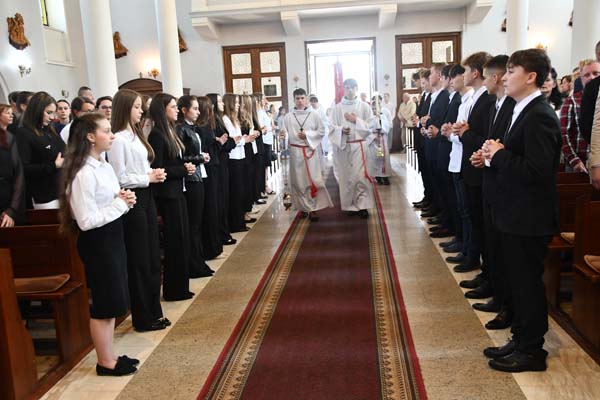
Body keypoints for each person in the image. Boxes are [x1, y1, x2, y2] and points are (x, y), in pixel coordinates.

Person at [482, 48, 561, 373]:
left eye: (512, 71)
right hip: (515, 212)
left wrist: (499, 154)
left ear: (531, 77)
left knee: (528, 284)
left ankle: (532, 350)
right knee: (518, 281)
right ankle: (520, 338)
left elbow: (537, 171)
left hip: (529, 216)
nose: (505, 77)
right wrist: (493, 155)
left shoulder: (540, 114)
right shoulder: (522, 109)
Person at [58, 112, 138, 376]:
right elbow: (86, 220)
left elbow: (109, 201)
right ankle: (105, 362)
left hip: (112, 235)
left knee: (114, 299)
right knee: (105, 303)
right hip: (97, 241)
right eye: (106, 130)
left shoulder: (103, 165)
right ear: (90, 137)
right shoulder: (82, 172)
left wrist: (123, 199)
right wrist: (120, 204)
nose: (112, 135)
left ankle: (110, 355)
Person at [107, 89, 169, 332]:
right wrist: (147, 178)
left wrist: (153, 174)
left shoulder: (136, 134)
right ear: (124, 108)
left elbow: (142, 166)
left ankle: (154, 312)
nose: (141, 111)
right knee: (140, 260)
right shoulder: (118, 139)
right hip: (133, 200)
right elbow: (119, 177)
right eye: (136, 107)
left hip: (147, 196)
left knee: (152, 257)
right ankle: (143, 317)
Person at [148, 93, 196, 301]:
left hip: (177, 191)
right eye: (173, 106)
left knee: (182, 240)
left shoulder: (169, 130)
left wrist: (185, 166)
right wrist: (183, 170)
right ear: (162, 109)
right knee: (175, 242)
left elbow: (173, 161)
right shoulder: (157, 135)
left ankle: (181, 287)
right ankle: (174, 290)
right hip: (167, 195)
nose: (177, 110)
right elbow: (158, 167)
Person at [175, 95, 215, 277]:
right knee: (193, 225)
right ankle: (194, 264)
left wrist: (201, 156)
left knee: (198, 223)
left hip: (198, 176)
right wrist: (200, 158)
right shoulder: (180, 129)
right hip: (190, 180)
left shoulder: (192, 128)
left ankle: (199, 261)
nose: (198, 112)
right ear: (184, 110)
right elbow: (180, 158)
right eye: (195, 108)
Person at [281, 88, 332, 220]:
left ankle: (313, 208)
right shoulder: (288, 117)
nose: (300, 101)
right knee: (298, 181)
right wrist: (283, 136)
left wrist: (308, 135)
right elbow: (284, 133)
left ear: (306, 99)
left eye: (302, 98)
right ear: (294, 99)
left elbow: (321, 131)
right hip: (295, 152)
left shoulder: (314, 114)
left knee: (312, 180)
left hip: (310, 152)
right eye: (297, 98)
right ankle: (303, 207)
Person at [329, 78, 375, 218]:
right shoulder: (337, 108)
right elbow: (331, 127)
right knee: (347, 177)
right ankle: (349, 205)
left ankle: (362, 205)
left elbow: (371, 125)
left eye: (352, 87)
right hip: (344, 146)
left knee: (360, 177)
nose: (350, 90)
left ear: (356, 88)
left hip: (359, 146)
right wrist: (341, 130)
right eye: (347, 87)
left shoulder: (364, 107)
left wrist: (356, 120)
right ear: (344, 89)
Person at [16, 91, 65, 209]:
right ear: (36, 110)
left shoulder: (50, 131)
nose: (52, 117)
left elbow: (63, 151)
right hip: (43, 195)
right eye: (49, 113)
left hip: (60, 190)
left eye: (53, 113)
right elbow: (23, 168)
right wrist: (53, 165)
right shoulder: (24, 133)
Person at [196, 96, 226, 257]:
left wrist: (217, 141)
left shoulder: (207, 125)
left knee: (215, 206)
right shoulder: (201, 127)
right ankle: (211, 247)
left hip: (212, 166)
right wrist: (217, 142)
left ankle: (215, 245)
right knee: (211, 208)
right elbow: (205, 146)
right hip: (208, 168)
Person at [206, 93, 237, 245]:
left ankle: (224, 232)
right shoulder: (212, 123)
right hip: (218, 163)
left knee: (223, 200)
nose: (222, 104)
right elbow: (222, 143)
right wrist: (225, 142)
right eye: (219, 101)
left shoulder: (218, 120)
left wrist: (227, 142)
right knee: (220, 201)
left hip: (223, 162)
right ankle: (222, 234)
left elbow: (227, 141)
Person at [561, 60, 600, 173]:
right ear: (581, 79)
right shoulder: (572, 100)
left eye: (596, 73)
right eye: (587, 75)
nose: (592, 78)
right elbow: (564, 134)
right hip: (579, 166)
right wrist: (575, 161)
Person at [222, 94, 249, 233]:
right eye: (236, 102)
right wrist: (244, 140)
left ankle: (240, 221)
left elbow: (238, 139)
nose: (238, 105)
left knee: (240, 191)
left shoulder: (234, 119)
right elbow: (233, 140)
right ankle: (236, 223)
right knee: (235, 191)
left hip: (240, 156)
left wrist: (242, 139)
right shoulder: (225, 119)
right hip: (233, 158)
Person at [0, 103, 24, 226]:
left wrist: (12, 209)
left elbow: (18, 171)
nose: (11, 116)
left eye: (11, 113)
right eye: (7, 113)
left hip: (7, 194)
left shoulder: (10, 137)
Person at [367, 95, 392, 185]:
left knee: (383, 158)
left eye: (376, 107)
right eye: (373, 107)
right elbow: (367, 129)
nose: (375, 109)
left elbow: (387, 127)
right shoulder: (369, 117)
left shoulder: (383, 116)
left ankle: (385, 176)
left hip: (382, 140)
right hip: (374, 141)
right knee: (375, 158)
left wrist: (380, 122)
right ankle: (377, 176)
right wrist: (373, 135)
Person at [255, 93, 276, 195]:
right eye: (264, 99)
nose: (266, 101)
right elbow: (261, 127)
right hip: (264, 141)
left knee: (266, 165)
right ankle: (264, 186)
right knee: (263, 166)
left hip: (268, 140)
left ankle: (265, 185)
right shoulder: (259, 112)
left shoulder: (264, 112)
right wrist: (270, 128)